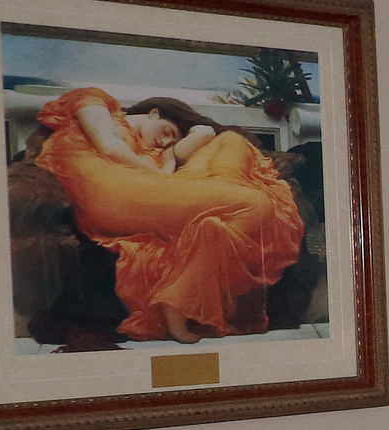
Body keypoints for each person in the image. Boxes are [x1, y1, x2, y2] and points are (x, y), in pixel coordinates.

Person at [32, 87, 306, 344]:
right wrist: (160, 168)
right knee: (254, 204)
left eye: (171, 140)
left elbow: (188, 152)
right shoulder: (94, 100)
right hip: (113, 195)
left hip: (143, 190)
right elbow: (108, 146)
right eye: (166, 130)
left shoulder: (152, 152)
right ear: (154, 112)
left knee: (231, 141)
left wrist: (199, 133)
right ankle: (177, 298)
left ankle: (199, 253)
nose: (164, 140)